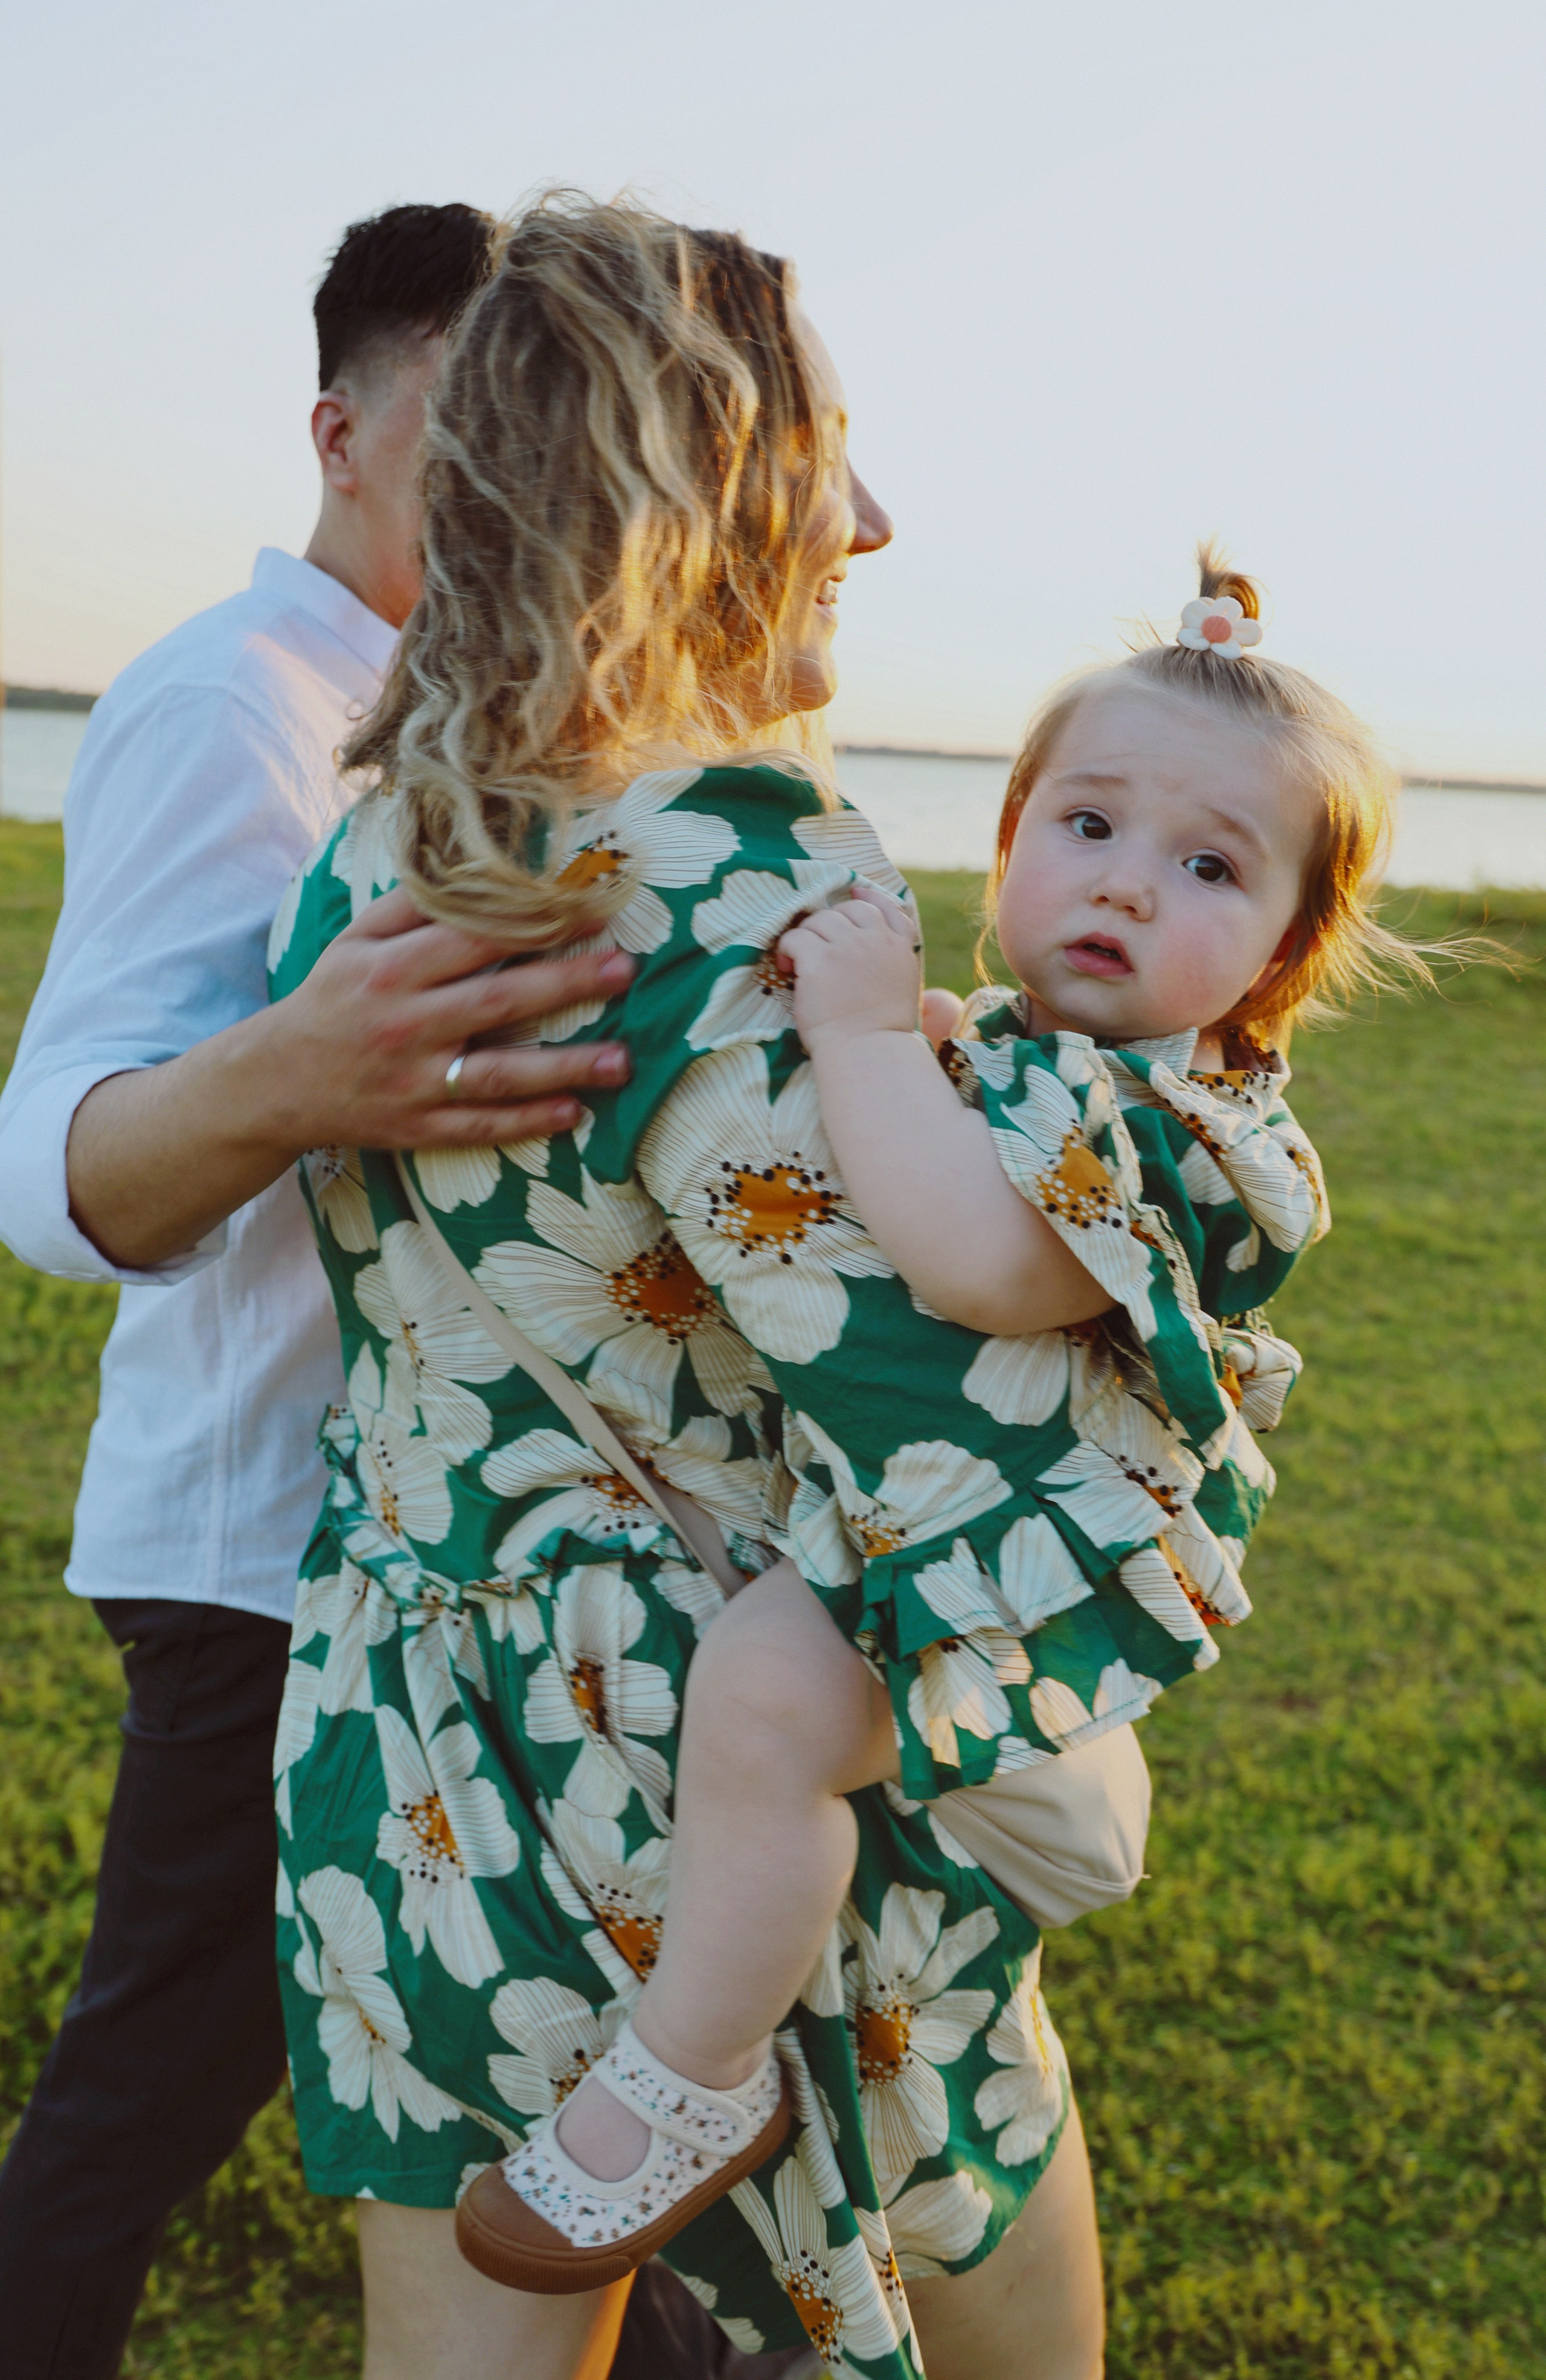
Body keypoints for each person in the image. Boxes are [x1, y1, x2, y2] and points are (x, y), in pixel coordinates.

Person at [265, 192, 1132, 2380]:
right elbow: (922, 1377)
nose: (874, 518)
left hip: (419, 1720)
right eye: (826, 450)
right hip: (711, 1762)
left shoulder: (383, 847)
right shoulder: (739, 857)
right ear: (696, 477)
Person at [470, 541, 1452, 2290]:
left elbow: (984, 1265)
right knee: (814, 1743)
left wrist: (857, 1040)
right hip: (933, 1528)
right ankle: (1007, 1823)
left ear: (1285, 951)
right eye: (1086, 827)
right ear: (1009, 840)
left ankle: (692, 2078)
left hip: (1000, 1572)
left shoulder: (1202, 1135)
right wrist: (917, 1049)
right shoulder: (1032, 1051)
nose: (1128, 887)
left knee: (766, 1701)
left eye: (1209, 866)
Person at [0, 202, 765, 2380]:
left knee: (588, 2047)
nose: (529, 476)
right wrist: (292, 1075)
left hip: (485, 1557)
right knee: (154, 2090)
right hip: (273, 1556)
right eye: (472, 424)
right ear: (343, 433)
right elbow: (54, 1165)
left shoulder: (517, 717)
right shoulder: (234, 702)